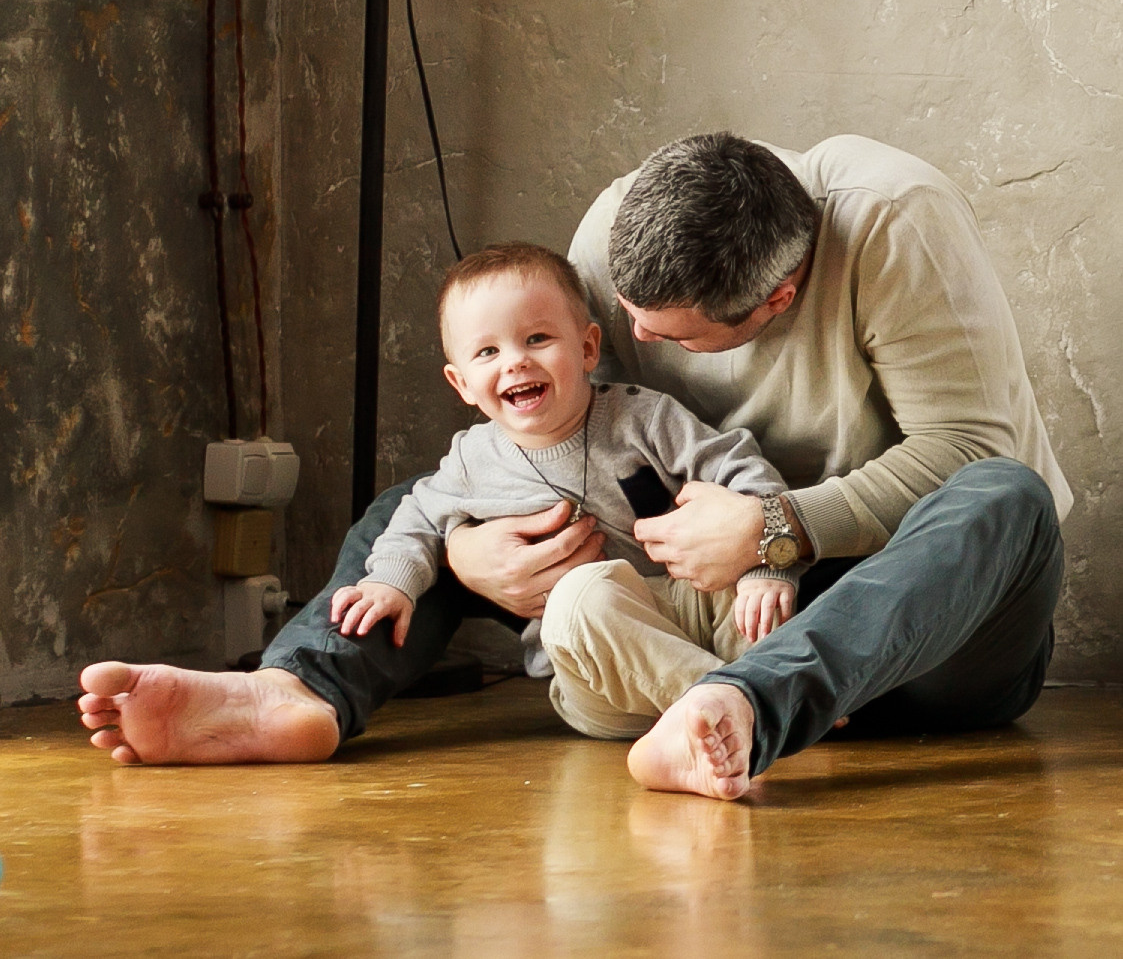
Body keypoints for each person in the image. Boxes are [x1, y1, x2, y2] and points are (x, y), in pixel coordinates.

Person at [78, 131, 1068, 793]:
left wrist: (778, 527)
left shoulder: (894, 227)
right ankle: (297, 689)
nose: (624, 339)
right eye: (619, 319)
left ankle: (746, 705)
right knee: (416, 508)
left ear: (776, 303)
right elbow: (560, 434)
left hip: (904, 614)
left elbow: (969, 449)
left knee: (1005, 495)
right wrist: (467, 553)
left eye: (664, 335)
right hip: (695, 602)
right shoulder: (610, 232)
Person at [330, 242, 798, 736]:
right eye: (487, 351)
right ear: (461, 382)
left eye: (536, 338)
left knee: (753, 592)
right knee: (576, 598)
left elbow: (739, 467)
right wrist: (390, 581)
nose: (514, 362)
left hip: (696, 615)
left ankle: (736, 704)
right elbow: (416, 516)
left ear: (587, 349)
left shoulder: (643, 418)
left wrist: (766, 562)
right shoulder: (472, 460)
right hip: (604, 676)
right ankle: (749, 705)